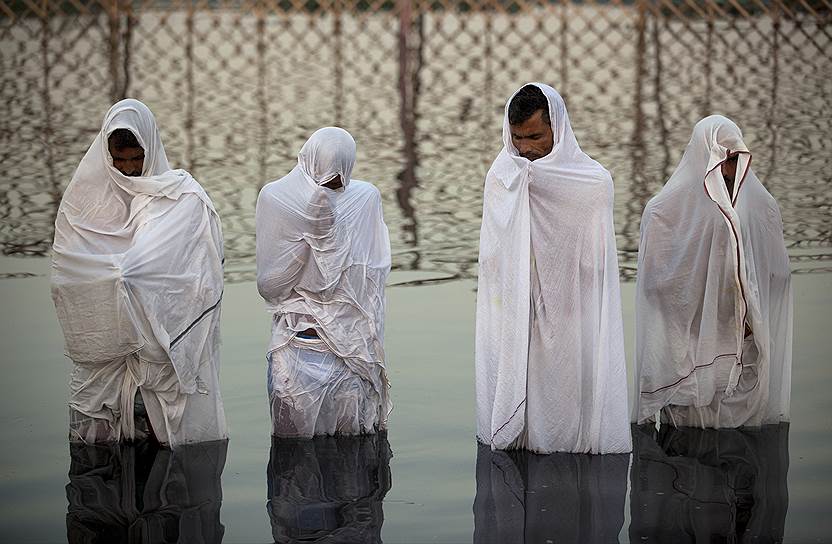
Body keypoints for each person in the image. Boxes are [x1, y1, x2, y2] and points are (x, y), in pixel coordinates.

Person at [51, 99, 227, 448]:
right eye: (120, 160)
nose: (129, 170)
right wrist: (119, 280)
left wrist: (127, 277)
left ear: (150, 149)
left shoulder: (177, 199)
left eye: (137, 158)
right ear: (106, 156)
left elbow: (194, 273)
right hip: (104, 362)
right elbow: (67, 273)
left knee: (166, 463)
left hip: (158, 355)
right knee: (98, 460)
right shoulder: (83, 201)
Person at [475, 83, 631, 454]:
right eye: (516, 138)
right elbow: (493, 257)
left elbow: (595, 266)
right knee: (521, 410)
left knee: (567, 407)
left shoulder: (592, 182)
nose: (525, 148)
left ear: (556, 129)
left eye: (535, 136)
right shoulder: (503, 175)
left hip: (571, 314)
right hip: (516, 314)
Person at [632, 115, 793, 428]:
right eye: (722, 160)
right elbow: (654, 286)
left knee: (742, 459)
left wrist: (747, 310)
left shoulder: (761, 208)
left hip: (743, 353)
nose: (729, 171)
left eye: (734, 159)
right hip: (685, 353)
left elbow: (779, 276)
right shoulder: (664, 212)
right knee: (684, 455)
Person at [256, 127, 391, 438]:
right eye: (324, 180)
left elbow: (370, 279)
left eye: (336, 182)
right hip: (296, 346)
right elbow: (269, 286)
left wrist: (329, 239)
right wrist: (313, 238)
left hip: (351, 351)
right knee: (293, 467)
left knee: (352, 464)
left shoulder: (363, 199)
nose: (330, 188)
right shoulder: (278, 199)